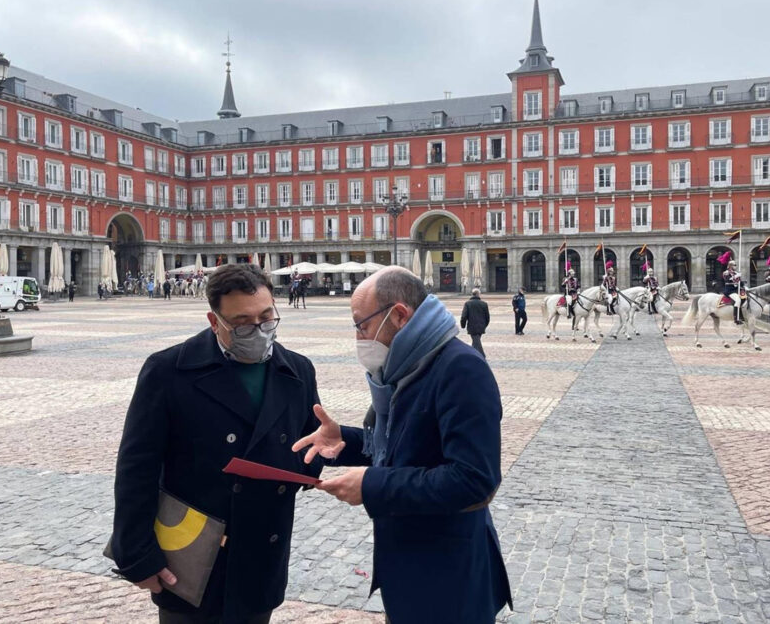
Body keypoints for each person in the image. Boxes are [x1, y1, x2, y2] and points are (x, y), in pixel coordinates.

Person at [292, 267, 512, 624]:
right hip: (408, 562)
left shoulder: (461, 368)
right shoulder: (403, 367)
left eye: (361, 325)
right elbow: (402, 445)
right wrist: (344, 440)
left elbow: (474, 480)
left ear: (398, 315)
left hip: (446, 573)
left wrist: (371, 485)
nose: (360, 337)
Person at [110, 264, 322, 623]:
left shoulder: (298, 371)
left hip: (261, 550)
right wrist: (137, 556)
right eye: (242, 323)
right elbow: (136, 468)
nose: (258, 329)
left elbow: (308, 447)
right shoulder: (168, 370)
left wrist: (315, 460)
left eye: (267, 316)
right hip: (191, 556)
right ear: (215, 321)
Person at [460, 287, 491, 357]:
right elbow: (487, 317)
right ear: (478, 294)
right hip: (481, 326)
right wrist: (484, 325)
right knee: (476, 341)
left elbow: (464, 316)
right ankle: (473, 354)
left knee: (476, 341)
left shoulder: (467, 303)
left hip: (472, 326)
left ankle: (482, 355)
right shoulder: (484, 304)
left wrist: (463, 325)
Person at [722, 259, 745, 325]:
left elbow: (740, 282)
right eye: (734, 265)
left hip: (737, 290)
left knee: (745, 297)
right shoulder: (726, 273)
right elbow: (727, 279)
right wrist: (736, 276)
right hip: (729, 290)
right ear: (730, 266)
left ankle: (741, 315)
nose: (735, 266)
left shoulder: (736, 273)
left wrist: (742, 283)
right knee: (738, 300)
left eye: (735, 265)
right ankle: (736, 318)